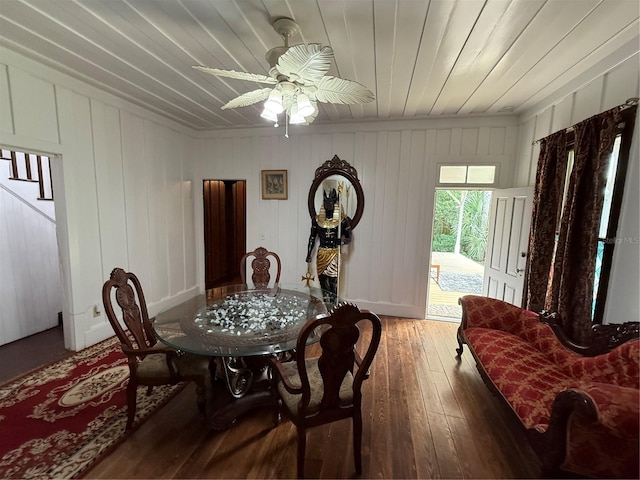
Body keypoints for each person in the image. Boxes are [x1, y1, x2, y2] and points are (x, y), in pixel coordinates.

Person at [306, 186, 351, 302]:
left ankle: (334, 305)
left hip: (334, 253)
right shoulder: (316, 219)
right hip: (321, 252)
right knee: (322, 280)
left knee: (333, 282)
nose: (328, 205)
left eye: (330, 202)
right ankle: (326, 305)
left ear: (335, 203)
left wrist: (340, 241)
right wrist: (309, 253)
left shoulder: (343, 220)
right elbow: (312, 237)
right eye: (326, 202)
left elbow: (348, 238)